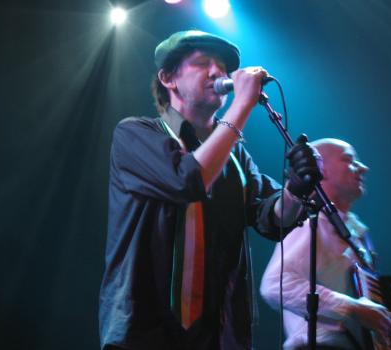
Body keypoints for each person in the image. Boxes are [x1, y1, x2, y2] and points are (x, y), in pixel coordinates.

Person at [99, 30, 323, 350]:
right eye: (203, 63)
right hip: (146, 333)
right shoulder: (136, 134)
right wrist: (243, 106)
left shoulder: (234, 156)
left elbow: (269, 216)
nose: (219, 72)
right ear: (168, 78)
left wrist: (296, 190)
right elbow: (187, 180)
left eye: (223, 66)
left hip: (220, 335)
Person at [260, 138, 391, 349]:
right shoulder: (308, 222)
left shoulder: (353, 229)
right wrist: (351, 308)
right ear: (322, 169)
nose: (363, 168)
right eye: (349, 160)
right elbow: (274, 285)